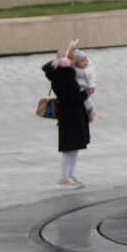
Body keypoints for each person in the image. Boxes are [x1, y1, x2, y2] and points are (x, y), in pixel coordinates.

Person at [41, 40, 91, 188]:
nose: (75, 61)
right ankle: (64, 177)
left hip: (75, 113)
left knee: (75, 146)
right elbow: (69, 98)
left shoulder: (67, 73)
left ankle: (70, 174)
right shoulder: (60, 76)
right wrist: (85, 94)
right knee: (68, 146)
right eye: (73, 58)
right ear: (65, 60)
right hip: (69, 114)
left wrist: (70, 49)